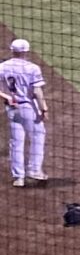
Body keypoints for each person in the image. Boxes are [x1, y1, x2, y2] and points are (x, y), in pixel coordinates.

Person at [2, 39, 48, 188]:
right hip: (29, 108)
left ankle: (18, 177)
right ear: (26, 51)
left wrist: (7, 97)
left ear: (12, 50)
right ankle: (34, 170)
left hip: (12, 107)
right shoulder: (32, 68)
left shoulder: (2, 67)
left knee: (16, 141)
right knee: (37, 137)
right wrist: (44, 108)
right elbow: (37, 91)